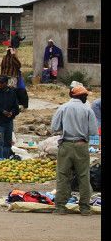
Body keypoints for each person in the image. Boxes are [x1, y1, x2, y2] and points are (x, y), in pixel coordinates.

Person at [51, 85, 98, 216]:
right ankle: (85, 208)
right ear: (81, 96)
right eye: (85, 96)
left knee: (62, 176)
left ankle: (60, 207)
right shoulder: (87, 110)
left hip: (65, 146)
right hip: (81, 146)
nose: (86, 98)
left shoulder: (63, 108)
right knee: (83, 176)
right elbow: (93, 131)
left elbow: (54, 127)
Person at [0, 75, 20, 159]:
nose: (0, 84)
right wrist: (2, 111)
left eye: (2, 83)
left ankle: (5, 159)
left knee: (7, 142)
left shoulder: (12, 93)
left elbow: (16, 108)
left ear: (6, 83)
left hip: (9, 121)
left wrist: (12, 113)